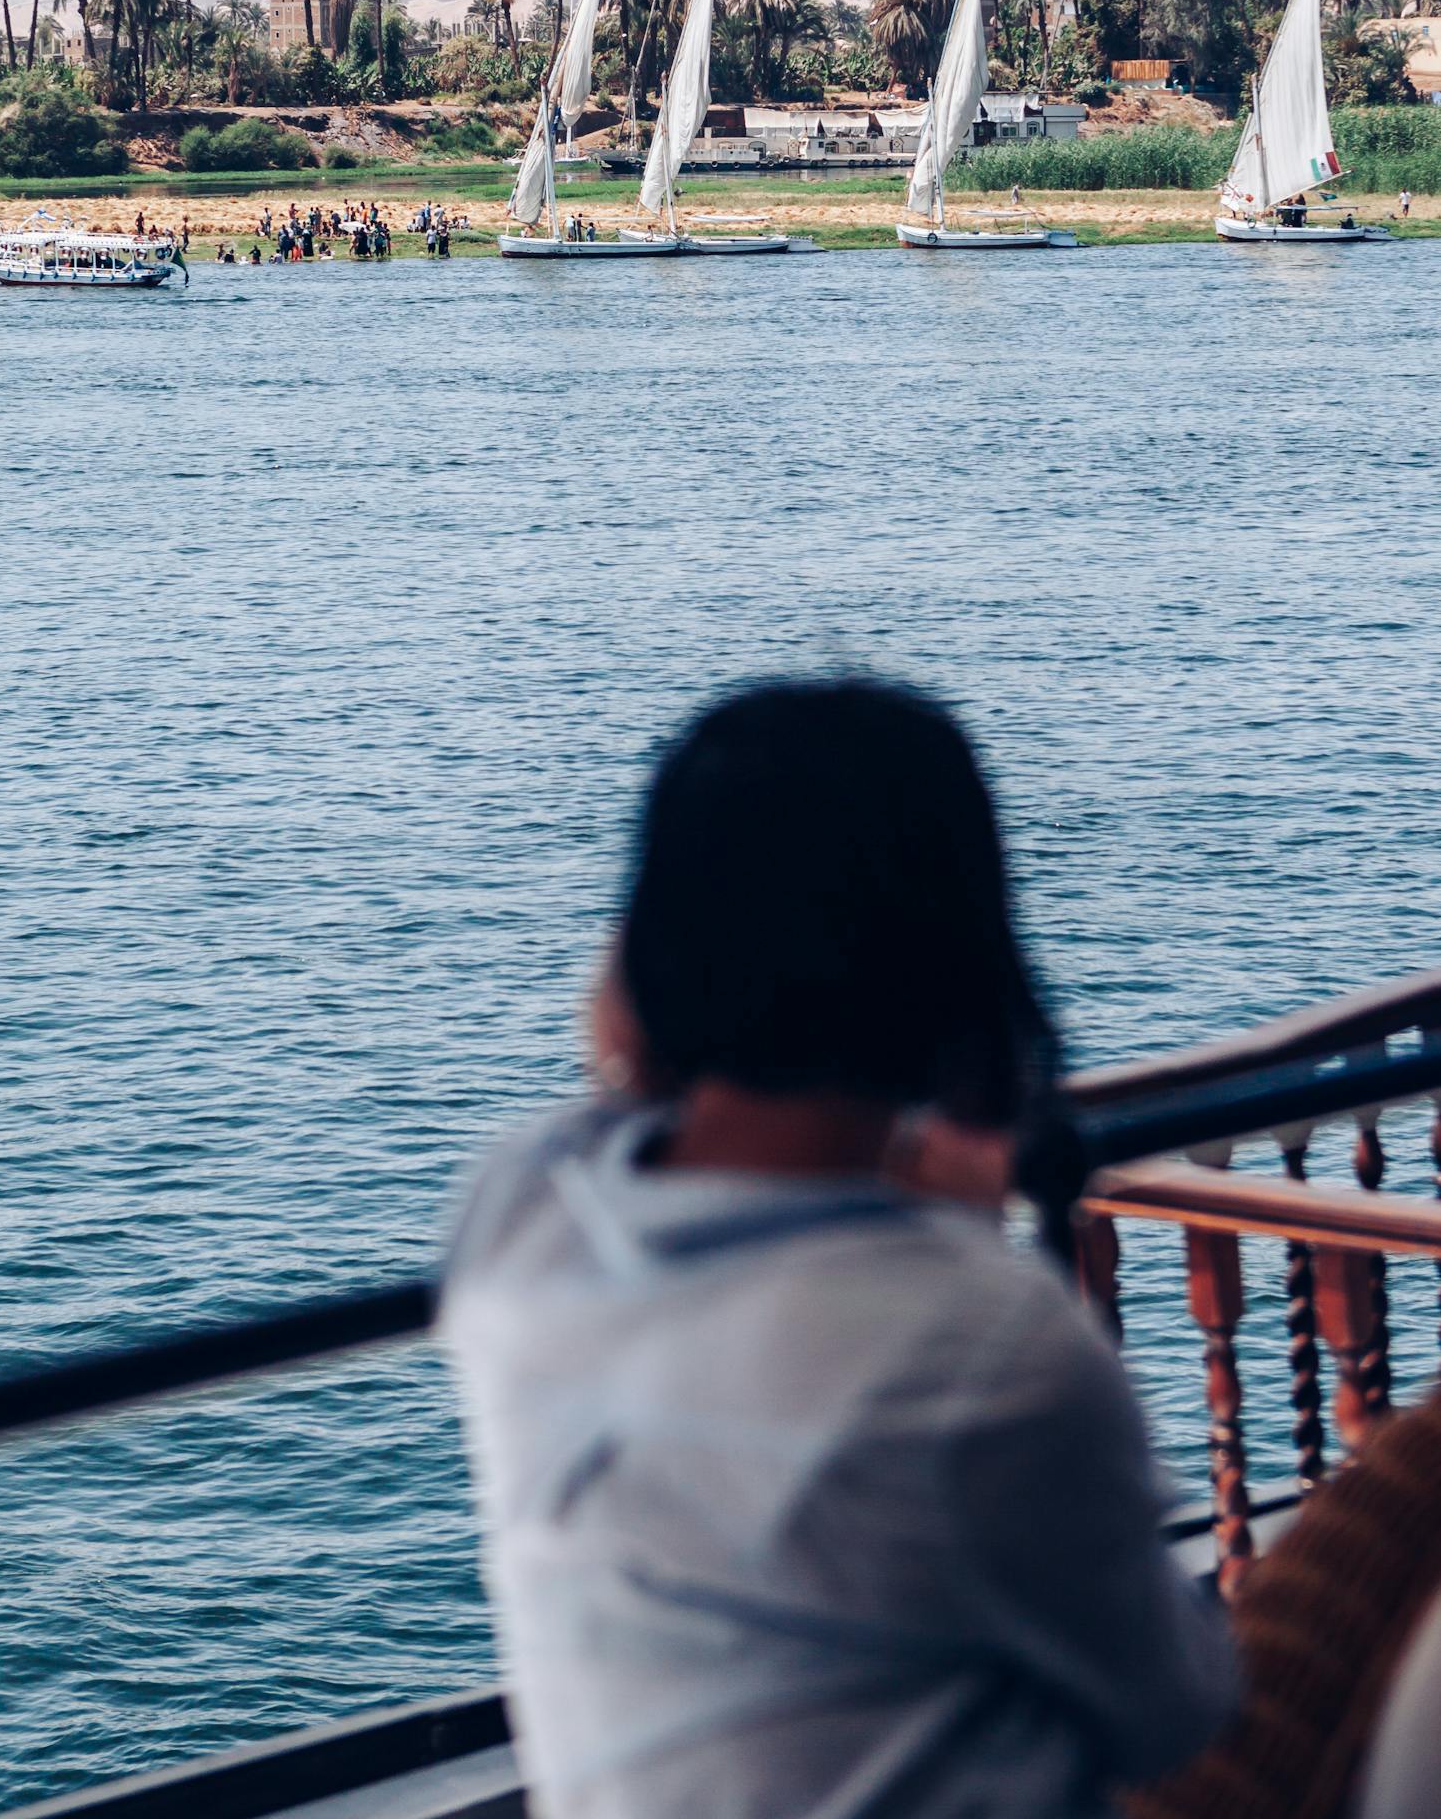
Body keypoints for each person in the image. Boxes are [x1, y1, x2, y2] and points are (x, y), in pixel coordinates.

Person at [442, 680, 1233, 1819]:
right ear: (958, 957)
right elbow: (1171, 1710)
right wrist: (961, 1222)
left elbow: (625, 1079)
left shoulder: (523, 1209)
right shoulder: (986, 1345)